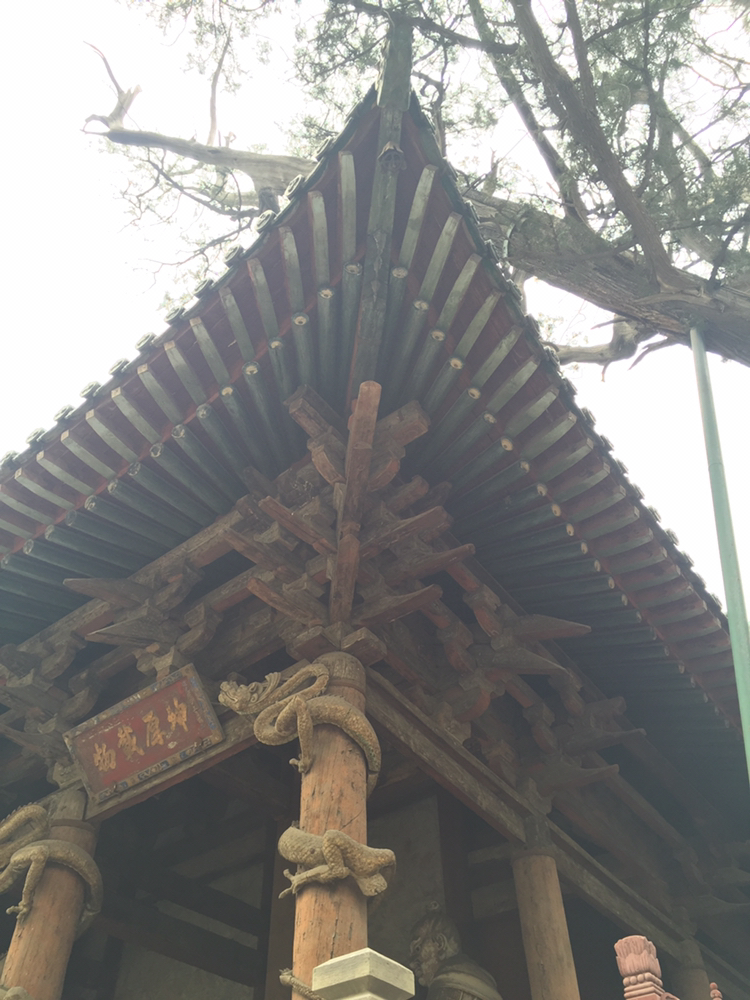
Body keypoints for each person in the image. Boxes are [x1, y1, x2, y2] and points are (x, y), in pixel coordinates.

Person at [408, 903, 503, 1000]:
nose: (412, 964)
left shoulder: (447, 989)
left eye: (417, 949)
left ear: (440, 943)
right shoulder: (482, 983)